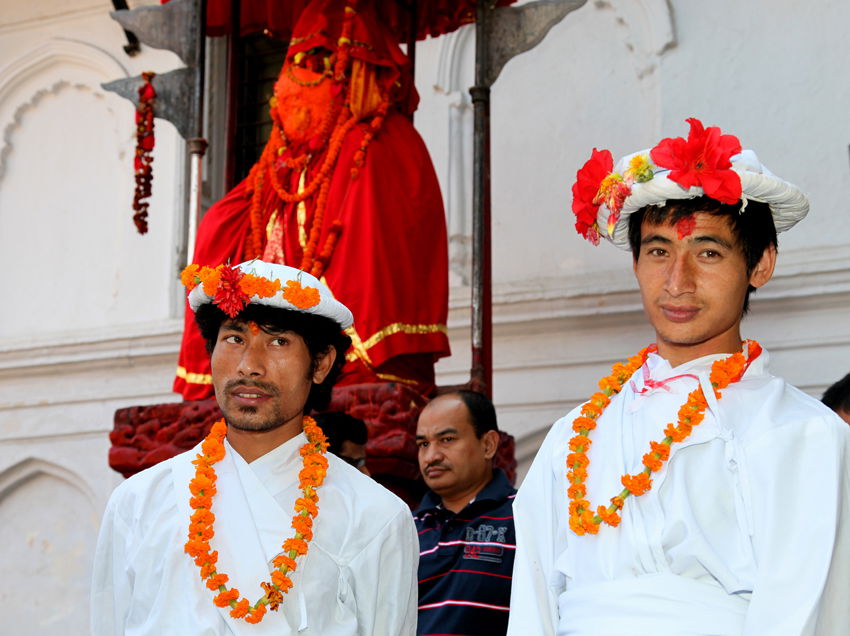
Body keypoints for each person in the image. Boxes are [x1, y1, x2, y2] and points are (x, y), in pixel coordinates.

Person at [508, 118, 850, 635]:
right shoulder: (572, 437)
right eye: (658, 251)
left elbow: (807, 616)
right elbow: (533, 608)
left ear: (761, 265)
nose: (677, 281)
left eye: (708, 253)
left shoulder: (807, 435)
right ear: (636, 265)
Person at [92, 260, 418, 634]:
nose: (249, 366)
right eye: (234, 339)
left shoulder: (375, 515)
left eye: (278, 341)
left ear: (321, 363)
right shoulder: (138, 501)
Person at [173, 0, 449, 401]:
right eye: (298, 63)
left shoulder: (376, 142)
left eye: (320, 65)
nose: (295, 81)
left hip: (345, 344)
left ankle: (332, 355)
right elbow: (238, 209)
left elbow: (377, 237)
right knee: (216, 220)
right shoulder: (281, 157)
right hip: (274, 322)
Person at [414, 390, 516, 636]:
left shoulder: (524, 517)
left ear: (488, 444)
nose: (431, 456)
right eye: (423, 444)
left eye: (447, 439)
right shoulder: (403, 528)